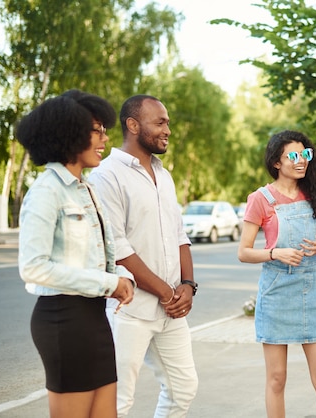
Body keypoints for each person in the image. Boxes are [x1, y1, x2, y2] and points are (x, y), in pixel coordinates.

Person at [17, 89, 135, 418]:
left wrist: (122, 278)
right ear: (68, 131)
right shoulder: (45, 191)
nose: (104, 137)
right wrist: (107, 283)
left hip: (94, 319)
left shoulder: (88, 188)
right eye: (96, 130)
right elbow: (33, 267)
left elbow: (103, 256)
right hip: (62, 321)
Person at [88, 95, 198, 417]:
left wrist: (188, 285)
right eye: (160, 122)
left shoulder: (163, 174)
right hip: (130, 310)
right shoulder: (107, 175)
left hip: (171, 311)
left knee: (183, 389)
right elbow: (117, 247)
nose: (168, 129)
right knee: (118, 400)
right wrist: (167, 292)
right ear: (133, 125)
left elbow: (180, 235)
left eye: (168, 122)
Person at [237, 130, 316, 418]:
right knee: (276, 379)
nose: (302, 161)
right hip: (277, 294)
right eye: (294, 156)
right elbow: (244, 252)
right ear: (276, 162)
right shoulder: (260, 199)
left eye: (306, 154)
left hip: (311, 294)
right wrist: (275, 253)